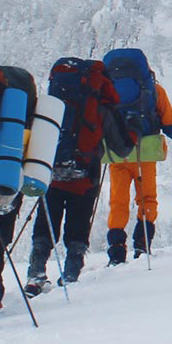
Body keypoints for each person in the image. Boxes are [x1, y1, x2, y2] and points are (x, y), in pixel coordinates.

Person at [26, 57, 120, 292]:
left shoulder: (53, 104)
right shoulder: (100, 107)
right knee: (78, 223)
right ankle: (71, 274)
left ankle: (35, 274)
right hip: (85, 174)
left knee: (46, 222)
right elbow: (121, 145)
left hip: (51, 173)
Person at [102, 76, 172, 263]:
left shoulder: (109, 88)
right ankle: (142, 244)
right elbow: (168, 123)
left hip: (118, 153)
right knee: (146, 197)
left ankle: (116, 249)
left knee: (118, 201)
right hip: (145, 152)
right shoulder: (154, 90)